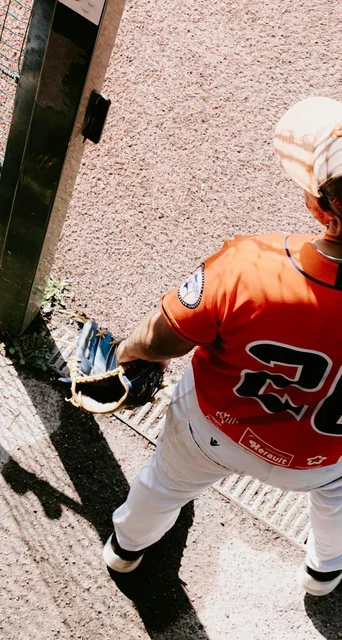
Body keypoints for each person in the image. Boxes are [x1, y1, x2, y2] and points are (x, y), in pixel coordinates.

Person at [103, 96, 342, 596]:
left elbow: (163, 337)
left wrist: (128, 353)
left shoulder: (250, 264)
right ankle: (324, 573)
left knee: (165, 484)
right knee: (337, 506)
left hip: (216, 431)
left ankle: (126, 550)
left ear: (319, 207)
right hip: (326, 462)